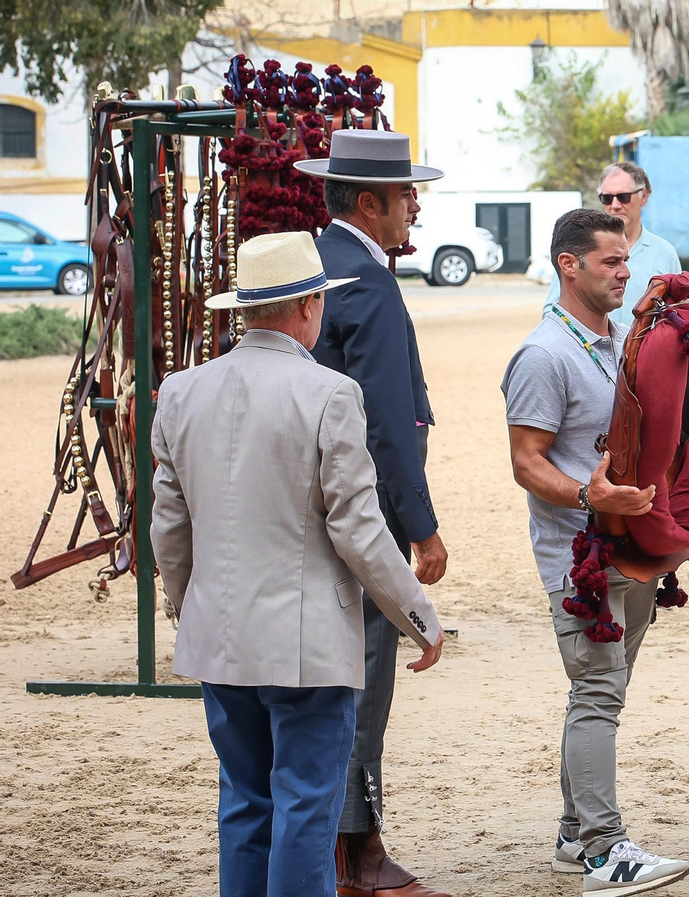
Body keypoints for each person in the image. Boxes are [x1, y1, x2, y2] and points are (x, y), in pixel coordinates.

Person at [151, 232, 445, 897]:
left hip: (221, 638)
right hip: (307, 646)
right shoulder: (330, 393)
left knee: (244, 802)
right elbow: (361, 530)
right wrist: (418, 616)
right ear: (309, 307)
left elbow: (168, 526)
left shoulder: (181, 391)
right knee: (306, 807)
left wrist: (188, 603)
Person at [502, 209, 689, 895]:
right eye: (610, 261)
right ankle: (605, 853)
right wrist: (590, 495)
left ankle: (575, 837)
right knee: (598, 692)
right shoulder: (543, 353)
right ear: (568, 265)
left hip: (633, 550)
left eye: (627, 259)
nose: (625, 271)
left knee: (604, 693)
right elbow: (525, 461)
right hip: (578, 556)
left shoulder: (622, 342)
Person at [294, 129, 452, 897]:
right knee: (363, 680)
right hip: (362, 511)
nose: (414, 204)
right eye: (405, 194)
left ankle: (338, 848)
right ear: (369, 202)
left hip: (299, 507)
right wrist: (419, 526)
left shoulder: (310, 268)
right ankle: (360, 855)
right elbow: (389, 420)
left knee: (326, 684)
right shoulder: (369, 282)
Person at [546, 161, 682, 328]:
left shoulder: (665, 253)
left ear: (644, 196)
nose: (615, 205)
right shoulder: (579, 246)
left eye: (623, 197)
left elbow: (679, 312)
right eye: (607, 198)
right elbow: (553, 310)